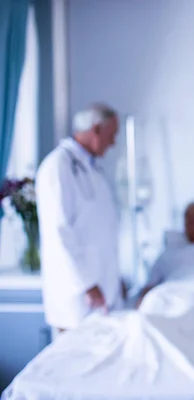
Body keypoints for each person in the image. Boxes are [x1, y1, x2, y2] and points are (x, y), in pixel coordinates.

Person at [36, 104, 126, 332]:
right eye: (111, 135)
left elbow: (100, 230)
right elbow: (59, 232)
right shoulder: (58, 167)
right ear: (96, 129)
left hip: (100, 288)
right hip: (77, 295)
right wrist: (86, 284)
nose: (113, 143)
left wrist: (115, 280)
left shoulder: (93, 170)